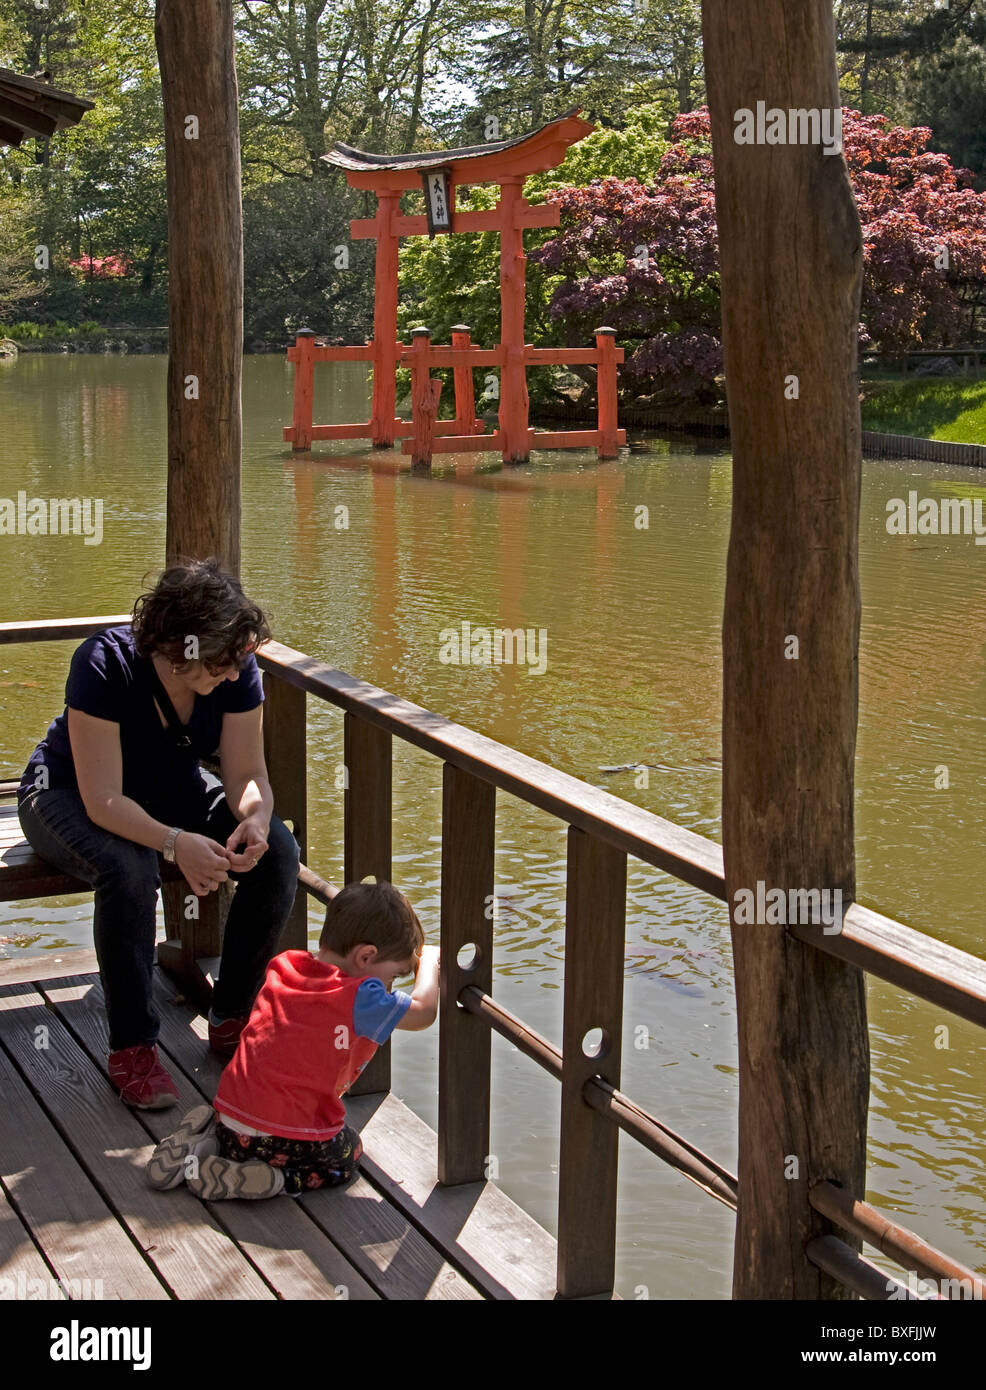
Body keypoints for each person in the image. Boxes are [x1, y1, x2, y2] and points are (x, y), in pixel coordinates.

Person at [16, 559, 300, 1110]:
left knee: (279, 855)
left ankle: (231, 1016)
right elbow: (103, 801)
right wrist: (174, 843)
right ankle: (133, 1046)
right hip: (65, 794)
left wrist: (257, 818)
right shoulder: (103, 663)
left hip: (165, 788)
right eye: (223, 659)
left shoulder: (235, 669)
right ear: (179, 647)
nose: (237, 673)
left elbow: (246, 775)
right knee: (128, 868)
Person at [146, 879, 440, 1199]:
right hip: (288, 1144)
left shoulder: (285, 966)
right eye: (393, 975)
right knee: (348, 1152)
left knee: (252, 1126)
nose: (388, 985)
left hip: (233, 1122)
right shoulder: (360, 996)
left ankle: (205, 1146)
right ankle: (277, 1180)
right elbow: (424, 1012)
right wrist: (430, 965)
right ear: (366, 957)